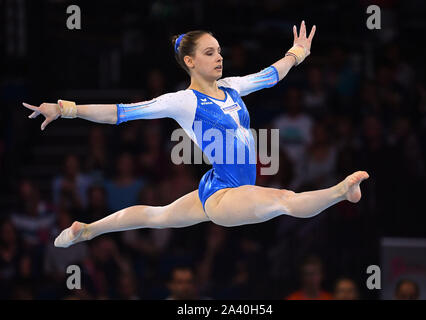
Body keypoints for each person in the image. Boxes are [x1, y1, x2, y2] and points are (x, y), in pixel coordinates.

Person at [21, 21, 369, 249]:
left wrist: (296, 53)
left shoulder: (231, 87)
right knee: (284, 201)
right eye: (209, 53)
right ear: (189, 61)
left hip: (217, 183)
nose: (219, 57)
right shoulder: (184, 101)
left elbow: (271, 75)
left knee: (158, 217)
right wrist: (67, 108)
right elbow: (121, 113)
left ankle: (88, 229)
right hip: (226, 196)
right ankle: (340, 191)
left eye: (218, 51)